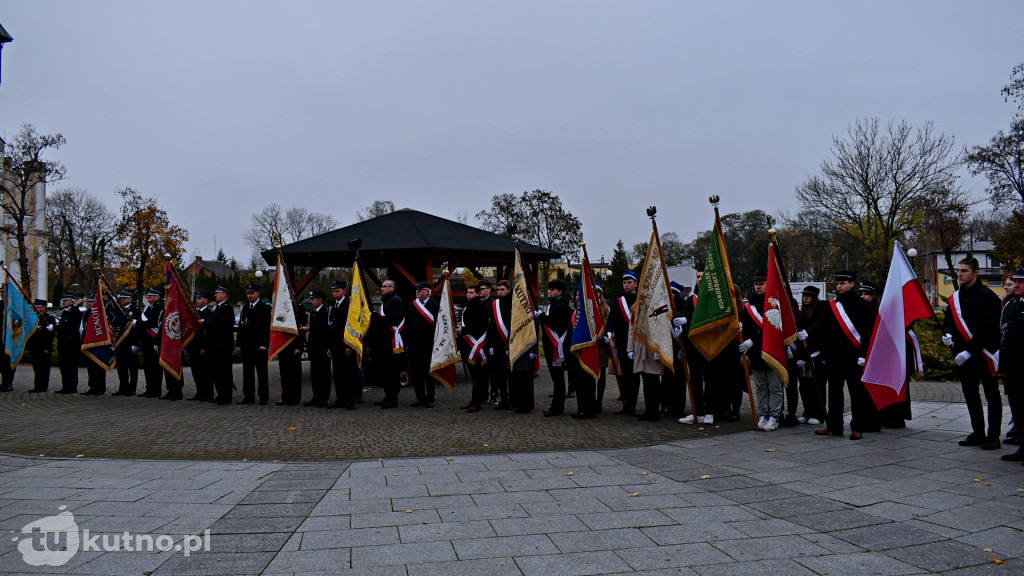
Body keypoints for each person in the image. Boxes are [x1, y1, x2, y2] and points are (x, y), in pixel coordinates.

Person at [800, 270, 876, 439]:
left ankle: (857, 427)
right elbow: (821, 324)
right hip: (835, 355)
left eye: (843, 283)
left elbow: (867, 332)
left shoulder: (862, 305)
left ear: (852, 284)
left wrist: (864, 355)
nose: (839, 286)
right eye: (838, 283)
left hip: (854, 357)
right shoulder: (831, 304)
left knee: (856, 393)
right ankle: (834, 426)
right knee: (834, 393)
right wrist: (807, 332)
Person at [941, 257, 1004, 450]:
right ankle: (978, 432)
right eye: (959, 270)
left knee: (991, 394)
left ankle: (993, 436)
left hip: (984, 353)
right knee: (970, 394)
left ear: (975, 272)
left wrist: (969, 351)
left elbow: (988, 328)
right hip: (964, 354)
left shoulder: (989, 297)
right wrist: (948, 334)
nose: (960, 274)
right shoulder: (957, 297)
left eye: (964, 271)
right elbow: (949, 319)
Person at [740, 272, 783, 431]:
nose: (758, 286)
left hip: (771, 350)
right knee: (760, 386)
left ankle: (774, 416)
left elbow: (772, 329)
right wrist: (741, 327)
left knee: (774, 386)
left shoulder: (773, 303)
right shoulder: (750, 304)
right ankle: (763, 414)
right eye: (756, 284)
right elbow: (747, 321)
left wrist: (753, 339)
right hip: (755, 352)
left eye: (761, 283)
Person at [999, 267, 1024, 464]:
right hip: (1013, 365)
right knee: (1017, 405)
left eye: (1021, 282)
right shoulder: (1013, 304)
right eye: (1015, 281)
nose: (1016, 285)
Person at [606, 271, 640, 415]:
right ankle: (627, 405)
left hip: (637, 342)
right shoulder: (618, 301)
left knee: (635, 375)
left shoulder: (640, 299)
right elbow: (612, 318)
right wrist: (609, 331)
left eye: (629, 282)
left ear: (636, 284)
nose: (626, 285)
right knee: (625, 374)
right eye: (625, 283)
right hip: (622, 342)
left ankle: (633, 404)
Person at [795, 286, 827, 426]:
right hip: (805, 354)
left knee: (818, 385)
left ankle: (819, 414)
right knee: (804, 386)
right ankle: (807, 412)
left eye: (809, 296)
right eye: (804, 296)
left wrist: (808, 332)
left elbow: (821, 326)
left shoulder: (822, 309)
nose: (805, 298)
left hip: (818, 353)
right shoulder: (802, 313)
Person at [372, 279, 405, 409]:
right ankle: (388, 396)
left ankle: (393, 398)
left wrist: (377, 317)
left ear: (392, 288)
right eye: (381, 286)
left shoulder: (396, 301)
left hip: (391, 342)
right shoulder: (386, 301)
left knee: (392, 372)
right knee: (385, 372)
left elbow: (393, 320)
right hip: (383, 342)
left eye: (385, 286)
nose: (382, 288)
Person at [541, 279, 572, 417]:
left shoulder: (561, 306)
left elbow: (554, 324)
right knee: (556, 378)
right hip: (551, 347)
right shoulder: (554, 305)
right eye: (549, 289)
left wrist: (541, 316)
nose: (550, 292)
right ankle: (556, 405)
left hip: (557, 347)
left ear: (559, 291)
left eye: (553, 290)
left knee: (558, 378)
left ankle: (557, 407)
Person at [405, 281, 439, 408]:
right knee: (415, 374)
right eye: (417, 289)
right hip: (414, 346)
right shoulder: (411, 306)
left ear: (428, 292)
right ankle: (420, 397)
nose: (417, 291)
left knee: (429, 373)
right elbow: (407, 326)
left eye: (420, 289)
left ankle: (431, 397)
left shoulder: (435, 305)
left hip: (429, 345)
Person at [236, 283, 271, 405]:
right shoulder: (245, 308)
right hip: (247, 346)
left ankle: (263, 396)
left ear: (258, 293)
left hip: (259, 346)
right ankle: (249, 396)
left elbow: (266, 328)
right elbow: (241, 326)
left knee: (262, 373)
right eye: (247, 293)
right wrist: (238, 342)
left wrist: (264, 344)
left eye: (251, 293)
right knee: (247, 373)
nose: (249, 295)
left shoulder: (264, 307)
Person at [328, 280, 358, 410]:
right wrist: (330, 346)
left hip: (347, 345)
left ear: (344, 291)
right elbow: (332, 329)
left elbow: (352, 327)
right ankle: (340, 399)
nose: (335, 294)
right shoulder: (334, 306)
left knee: (349, 375)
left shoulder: (349, 305)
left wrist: (350, 346)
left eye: (338, 291)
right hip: (336, 345)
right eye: (334, 291)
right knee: (338, 374)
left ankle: (351, 400)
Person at [459, 284, 489, 413]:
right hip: (468, 345)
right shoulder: (468, 307)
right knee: (474, 375)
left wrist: (462, 330)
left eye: (471, 292)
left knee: (477, 375)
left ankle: (477, 402)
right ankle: (474, 399)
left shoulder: (481, 307)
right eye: (467, 292)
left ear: (478, 294)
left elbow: (479, 326)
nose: (468, 294)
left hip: (477, 345)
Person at [204, 286, 236, 405]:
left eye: (217, 293)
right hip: (216, 344)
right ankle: (220, 394)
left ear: (224, 295)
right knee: (217, 371)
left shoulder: (227, 308)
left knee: (224, 372)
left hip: (223, 345)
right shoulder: (219, 307)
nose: (215, 295)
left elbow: (219, 323)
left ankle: (226, 396)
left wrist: (205, 323)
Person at [302, 290, 331, 408]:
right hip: (314, 348)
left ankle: (324, 398)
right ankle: (316, 396)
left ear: (320, 300)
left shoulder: (326, 312)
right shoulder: (313, 313)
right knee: (314, 373)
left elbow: (325, 329)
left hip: (323, 348)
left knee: (324, 374)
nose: (311, 301)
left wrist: (309, 330)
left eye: (313, 299)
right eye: (311, 299)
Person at [487, 280, 513, 410]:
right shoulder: (495, 304)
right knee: (499, 374)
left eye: (502, 289)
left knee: (511, 375)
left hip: (511, 343)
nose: (500, 292)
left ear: (509, 289)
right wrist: (490, 344)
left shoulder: (515, 303)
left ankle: (512, 400)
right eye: (498, 290)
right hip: (497, 343)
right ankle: (503, 399)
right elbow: (492, 326)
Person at [187, 290, 215, 402]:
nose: (197, 300)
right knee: (196, 371)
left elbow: (209, 334)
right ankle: (199, 392)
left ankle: (208, 393)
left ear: (206, 300)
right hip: (194, 346)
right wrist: (188, 347)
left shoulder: (209, 314)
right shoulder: (194, 313)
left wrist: (205, 347)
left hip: (203, 347)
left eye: (200, 298)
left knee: (205, 372)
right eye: (197, 298)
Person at [277, 301, 306, 406]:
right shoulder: (280, 306)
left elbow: (301, 327)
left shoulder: (298, 307)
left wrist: (299, 346)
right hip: (283, 344)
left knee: (295, 373)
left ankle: (295, 397)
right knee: (284, 373)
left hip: (294, 345)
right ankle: (285, 396)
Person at [138, 288, 164, 398]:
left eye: (151, 296)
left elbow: (153, 322)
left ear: (157, 297)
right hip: (147, 341)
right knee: (148, 366)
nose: (148, 297)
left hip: (154, 340)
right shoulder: (149, 308)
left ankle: (156, 390)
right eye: (148, 296)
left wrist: (137, 323)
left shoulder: (159, 307)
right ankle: (149, 388)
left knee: (155, 367)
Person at [113, 290, 140, 396]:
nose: (122, 300)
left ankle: (132, 388)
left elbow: (137, 329)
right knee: (121, 366)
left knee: (132, 367)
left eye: (125, 298)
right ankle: (122, 387)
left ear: (130, 299)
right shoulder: (118, 310)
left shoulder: (136, 311)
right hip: (120, 342)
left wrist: (135, 344)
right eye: (121, 298)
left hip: (130, 342)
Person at [55, 294, 83, 394]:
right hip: (63, 343)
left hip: (71, 344)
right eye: (63, 300)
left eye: (66, 301)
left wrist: (76, 305)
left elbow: (68, 326)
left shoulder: (75, 312)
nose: (63, 302)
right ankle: (65, 386)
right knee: (63, 366)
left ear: (72, 302)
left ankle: (72, 387)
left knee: (71, 366)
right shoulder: (64, 313)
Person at [27, 299, 56, 393]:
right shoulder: (33, 318)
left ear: (44, 307)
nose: (36, 308)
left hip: (44, 347)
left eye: (38, 307)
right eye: (35, 306)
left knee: (43, 368)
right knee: (36, 368)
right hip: (34, 347)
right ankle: (37, 386)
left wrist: (47, 347)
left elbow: (50, 335)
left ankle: (43, 386)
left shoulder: (49, 318)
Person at [81, 296, 108, 396]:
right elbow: (84, 328)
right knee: (90, 367)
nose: (90, 304)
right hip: (89, 343)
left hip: (99, 343)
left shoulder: (102, 313)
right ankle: (92, 386)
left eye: (93, 302)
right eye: (90, 302)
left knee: (99, 366)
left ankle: (100, 387)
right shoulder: (87, 313)